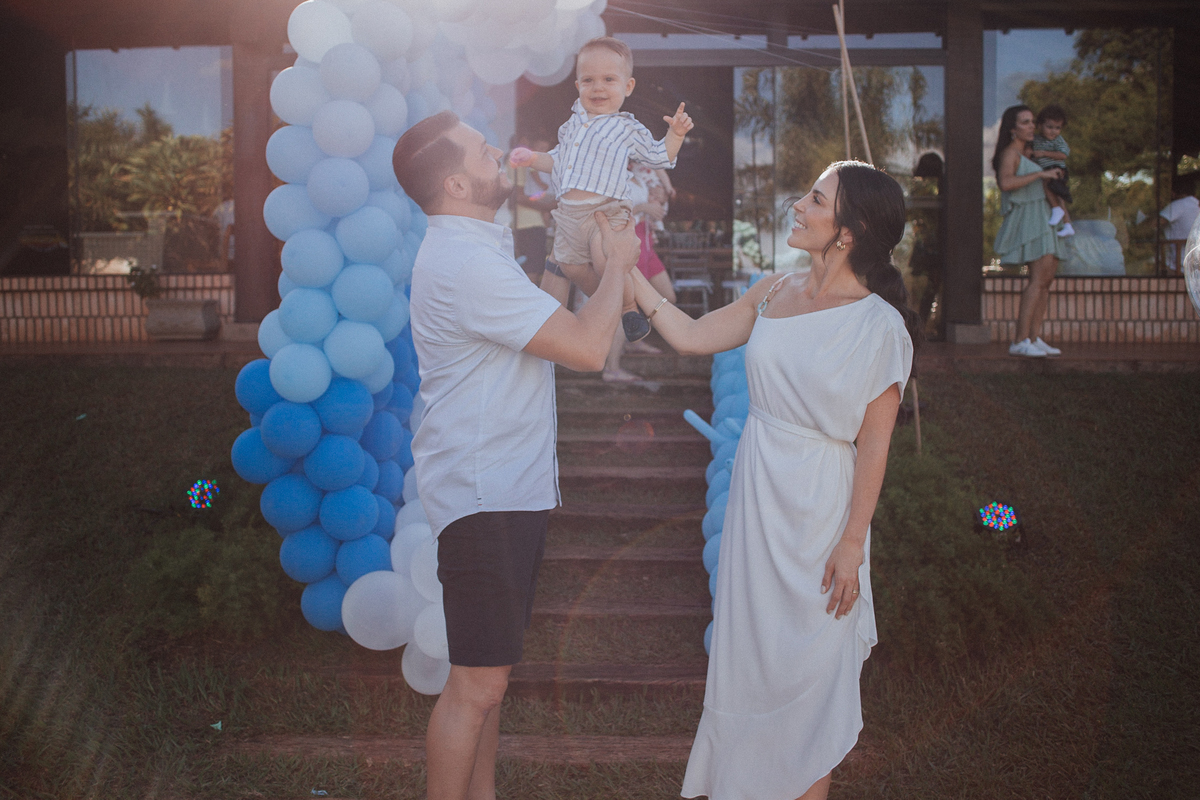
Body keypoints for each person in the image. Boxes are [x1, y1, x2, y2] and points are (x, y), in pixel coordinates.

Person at [626, 160, 917, 800]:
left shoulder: (879, 326)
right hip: (757, 503)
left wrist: (852, 543)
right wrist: (629, 273)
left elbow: (875, 446)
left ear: (848, 231)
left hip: (821, 513)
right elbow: (691, 335)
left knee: (810, 683)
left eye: (815, 199)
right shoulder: (772, 290)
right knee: (752, 667)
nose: (798, 206)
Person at [391, 110, 641, 800]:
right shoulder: (467, 263)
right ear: (455, 183)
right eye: (481, 151)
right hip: (485, 493)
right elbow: (586, 348)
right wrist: (620, 266)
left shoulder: (477, 249)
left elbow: (540, 324)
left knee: (489, 677)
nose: (498, 152)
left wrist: (565, 253)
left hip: (505, 489)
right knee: (477, 685)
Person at [509, 35, 693, 343]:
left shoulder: (625, 127)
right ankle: (612, 304)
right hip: (569, 217)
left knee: (605, 259)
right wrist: (532, 158)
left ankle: (630, 309)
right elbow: (558, 161)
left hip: (605, 212)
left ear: (628, 87)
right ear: (578, 86)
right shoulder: (571, 127)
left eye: (609, 79)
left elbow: (659, 156)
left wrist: (675, 135)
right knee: (571, 267)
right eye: (589, 80)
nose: (598, 88)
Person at [992, 104, 1067, 358]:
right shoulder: (1010, 153)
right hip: (1029, 220)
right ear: (1012, 129)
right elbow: (1005, 182)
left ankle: (1033, 338)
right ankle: (1019, 340)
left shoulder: (1031, 152)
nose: (1032, 126)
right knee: (1037, 280)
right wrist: (1040, 175)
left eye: (1032, 121)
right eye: (1025, 122)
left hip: (1044, 217)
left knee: (1046, 281)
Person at [505, 132, 555, 281]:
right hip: (530, 223)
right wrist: (547, 207)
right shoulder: (519, 163)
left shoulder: (517, 163)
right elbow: (519, 197)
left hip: (521, 222)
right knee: (532, 270)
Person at [1030, 104, 1075, 237]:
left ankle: (1056, 209)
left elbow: (1063, 155)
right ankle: (1067, 225)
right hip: (1046, 169)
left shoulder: (1058, 140)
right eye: (1049, 127)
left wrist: (1044, 153)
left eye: (1057, 128)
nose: (1053, 131)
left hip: (1056, 169)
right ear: (1040, 126)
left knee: (1047, 184)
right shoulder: (1035, 139)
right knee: (1059, 197)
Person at [1160, 173, 1199, 272]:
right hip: (1194, 266)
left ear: (1172, 193)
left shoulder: (1178, 206)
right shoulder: (1196, 205)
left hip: (1179, 266)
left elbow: (1152, 225)